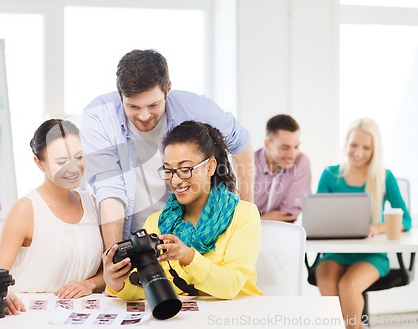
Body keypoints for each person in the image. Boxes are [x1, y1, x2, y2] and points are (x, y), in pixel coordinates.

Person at [81, 49, 254, 249]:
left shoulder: (196, 108)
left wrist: (247, 212)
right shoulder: (99, 116)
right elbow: (109, 190)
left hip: (192, 230)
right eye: (133, 107)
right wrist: (115, 254)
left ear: (168, 90)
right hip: (132, 230)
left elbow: (241, 142)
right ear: (120, 95)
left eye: (153, 105)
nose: (144, 116)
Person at [102, 121, 262, 300]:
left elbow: (231, 286)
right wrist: (117, 283)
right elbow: (152, 291)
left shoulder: (243, 215)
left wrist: (188, 257)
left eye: (185, 170)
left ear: (210, 166)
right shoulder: (156, 223)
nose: (176, 181)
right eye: (169, 171)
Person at [0, 119, 105, 315]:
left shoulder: (93, 203)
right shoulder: (26, 210)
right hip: (29, 316)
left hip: (81, 316)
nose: (73, 168)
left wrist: (89, 284)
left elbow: (108, 271)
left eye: (79, 157)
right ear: (39, 163)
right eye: (61, 162)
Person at [313, 118, 412, 329]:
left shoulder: (384, 177)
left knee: (348, 286)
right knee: (327, 282)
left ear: (375, 149)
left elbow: (406, 219)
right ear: (346, 144)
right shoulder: (330, 175)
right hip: (335, 253)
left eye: (366, 147)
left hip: (371, 255)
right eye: (354, 145)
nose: (358, 152)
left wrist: (379, 226)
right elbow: (319, 218)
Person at [253, 114, 311, 221]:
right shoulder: (248, 164)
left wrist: (257, 219)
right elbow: (237, 218)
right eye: (285, 148)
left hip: (282, 232)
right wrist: (265, 219)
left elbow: (289, 215)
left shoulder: (301, 162)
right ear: (267, 144)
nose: (292, 155)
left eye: (296, 146)